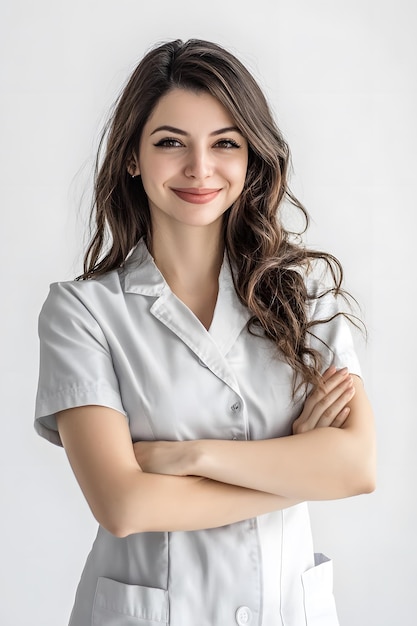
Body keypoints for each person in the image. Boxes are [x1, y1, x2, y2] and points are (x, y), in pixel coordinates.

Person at [34, 38, 376, 626]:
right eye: (171, 142)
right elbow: (124, 505)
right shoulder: (82, 312)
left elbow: (356, 468)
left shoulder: (305, 291)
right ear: (133, 157)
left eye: (225, 143)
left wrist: (187, 456)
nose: (200, 168)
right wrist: (297, 467)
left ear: (251, 159)